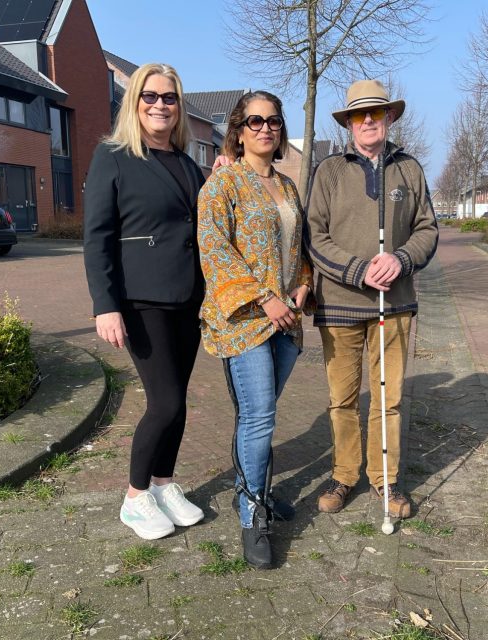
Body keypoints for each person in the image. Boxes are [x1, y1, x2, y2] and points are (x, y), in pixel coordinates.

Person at [83, 63, 206, 540]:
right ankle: (135, 497)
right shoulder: (112, 156)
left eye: (170, 97)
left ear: (179, 107)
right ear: (134, 102)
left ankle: (163, 484)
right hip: (140, 300)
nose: (160, 105)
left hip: (188, 298)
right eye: (150, 96)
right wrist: (104, 304)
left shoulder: (187, 162)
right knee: (165, 400)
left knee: (180, 403)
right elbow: (97, 238)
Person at [306, 79, 438, 519]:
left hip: (394, 306)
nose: (367, 121)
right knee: (342, 398)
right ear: (347, 123)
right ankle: (345, 475)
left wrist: (400, 260)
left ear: (389, 118)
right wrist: (359, 270)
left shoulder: (410, 169)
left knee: (388, 398)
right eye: (358, 115)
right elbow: (315, 236)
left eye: (375, 114)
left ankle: (386, 480)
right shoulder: (328, 171)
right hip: (340, 305)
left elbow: (427, 230)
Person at [197, 91, 313, 569]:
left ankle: (255, 491)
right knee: (260, 416)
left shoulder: (287, 187)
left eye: (274, 121)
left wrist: (303, 285)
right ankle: (251, 514)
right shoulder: (221, 186)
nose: (266, 128)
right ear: (238, 130)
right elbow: (214, 249)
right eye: (255, 121)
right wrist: (263, 298)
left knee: (260, 416)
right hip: (244, 323)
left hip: (287, 320)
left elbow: (298, 247)